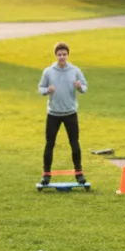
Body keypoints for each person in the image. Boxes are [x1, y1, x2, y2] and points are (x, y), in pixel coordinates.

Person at [38, 41, 88, 186]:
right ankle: (46, 175)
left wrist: (79, 87)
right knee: (49, 144)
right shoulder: (48, 71)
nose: (62, 57)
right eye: (59, 55)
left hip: (70, 113)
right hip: (53, 113)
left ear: (67, 55)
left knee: (74, 143)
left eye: (64, 54)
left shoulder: (75, 70)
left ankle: (79, 174)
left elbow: (84, 87)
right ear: (56, 55)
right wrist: (47, 90)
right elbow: (41, 88)